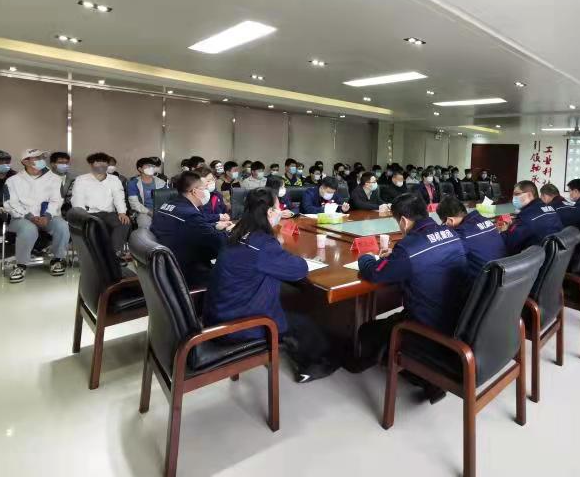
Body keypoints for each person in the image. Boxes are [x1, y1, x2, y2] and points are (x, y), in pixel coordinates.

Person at [203, 188, 340, 382]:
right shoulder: (263, 244)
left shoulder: (238, 232)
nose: (280, 211)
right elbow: (299, 269)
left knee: (288, 298)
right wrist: (283, 251)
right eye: (278, 207)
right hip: (237, 325)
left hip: (217, 312)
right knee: (305, 323)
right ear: (269, 212)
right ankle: (314, 367)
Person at [357, 193, 469, 402]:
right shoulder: (450, 233)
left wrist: (366, 258)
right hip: (456, 321)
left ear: (403, 220)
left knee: (367, 331)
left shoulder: (409, 247)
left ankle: (427, 379)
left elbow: (374, 273)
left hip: (426, 328)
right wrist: (394, 259)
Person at [151, 171, 228, 289]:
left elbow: (188, 229)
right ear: (194, 191)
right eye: (204, 188)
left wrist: (214, 226)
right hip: (187, 273)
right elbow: (218, 244)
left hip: (166, 266)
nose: (207, 192)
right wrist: (228, 233)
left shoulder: (166, 205)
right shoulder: (191, 215)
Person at [3, 148, 69, 283]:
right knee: (29, 229)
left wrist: (47, 216)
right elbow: (10, 203)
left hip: (48, 217)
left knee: (62, 226)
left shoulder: (54, 179)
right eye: (37, 158)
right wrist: (30, 217)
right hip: (21, 218)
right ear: (25, 161)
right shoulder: (12, 181)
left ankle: (58, 260)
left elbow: (57, 200)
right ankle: (21, 265)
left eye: (42, 158)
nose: (41, 161)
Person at [71, 152, 131, 261]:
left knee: (124, 223)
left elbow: (119, 197)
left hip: (108, 213)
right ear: (91, 164)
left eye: (104, 163)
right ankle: (96, 257)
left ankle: (114, 255)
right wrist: (82, 216)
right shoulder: (81, 179)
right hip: (88, 214)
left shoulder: (114, 179)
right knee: (93, 227)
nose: (101, 165)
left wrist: (122, 213)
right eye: (98, 162)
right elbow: (77, 199)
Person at [437, 195, 508, 282]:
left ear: (450, 220)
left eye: (444, 223)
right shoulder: (484, 219)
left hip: (486, 284)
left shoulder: (460, 234)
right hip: (505, 276)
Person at [503, 180, 563, 255]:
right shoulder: (550, 208)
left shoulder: (526, 217)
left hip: (533, 257)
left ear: (529, 195)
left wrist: (506, 230)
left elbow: (510, 244)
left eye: (517, 194)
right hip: (551, 254)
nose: (513, 198)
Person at [127, 157, 166, 230]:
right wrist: (149, 212)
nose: (151, 168)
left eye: (152, 166)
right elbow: (134, 203)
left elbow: (167, 199)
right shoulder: (133, 183)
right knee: (144, 224)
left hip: (160, 211)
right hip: (143, 212)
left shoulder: (161, 183)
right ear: (140, 169)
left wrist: (161, 212)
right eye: (148, 166)